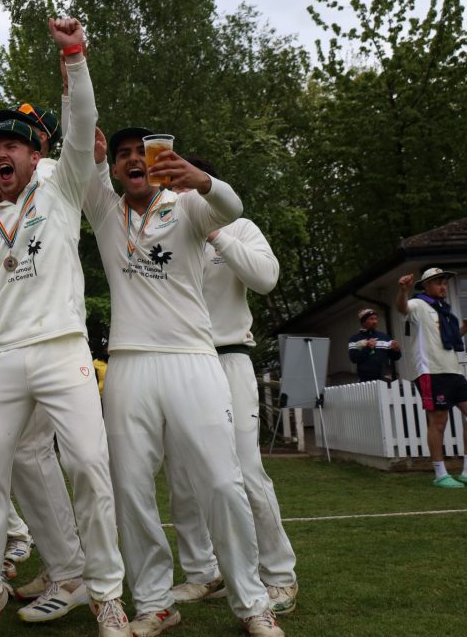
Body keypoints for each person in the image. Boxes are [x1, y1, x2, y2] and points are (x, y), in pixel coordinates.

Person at [0, 18, 132, 637]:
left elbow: (80, 124)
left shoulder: (63, 189)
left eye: (13, 145)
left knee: (90, 471)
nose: (0, 154)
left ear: (35, 155)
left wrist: (73, 55)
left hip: (63, 351)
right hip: (3, 360)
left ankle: (105, 595)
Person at [83, 127, 282, 636]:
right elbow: (82, 141)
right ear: (115, 168)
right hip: (129, 363)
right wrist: (72, 65)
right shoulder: (105, 209)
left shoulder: (188, 205)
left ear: (159, 163)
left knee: (221, 480)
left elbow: (232, 208)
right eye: (123, 155)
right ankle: (153, 603)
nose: (133, 160)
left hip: (194, 358)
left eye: (140, 153)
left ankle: (252, 603)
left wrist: (204, 180)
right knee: (130, 489)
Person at [164, 158, 299, 616]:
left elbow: (266, 279)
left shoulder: (239, 227)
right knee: (181, 475)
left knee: (244, 469)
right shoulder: (162, 231)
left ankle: (279, 576)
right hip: (179, 364)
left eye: (182, 181)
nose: (175, 191)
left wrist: (215, 233)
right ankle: (204, 573)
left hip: (229, 358)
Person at [396, 268, 467, 488]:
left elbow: (447, 339)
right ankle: (440, 473)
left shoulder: (445, 309)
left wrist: (464, 329)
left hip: (453, 370)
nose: (443, 286)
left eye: (444, 282)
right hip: (431, 372)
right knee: (438, 422)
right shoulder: (418, 304)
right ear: (426, 286)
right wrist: (403, 291)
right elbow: (402, 308)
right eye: (437, 282)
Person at [347, 309, 401, 382]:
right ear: (363, 322)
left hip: (385, 378)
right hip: (366, 380)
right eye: (371, 319)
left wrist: (396, 350)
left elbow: (395, 357)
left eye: (375, 319)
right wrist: (368, 348)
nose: (375, 321)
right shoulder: (355, 339)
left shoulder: (385, 337)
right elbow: (353, 358)